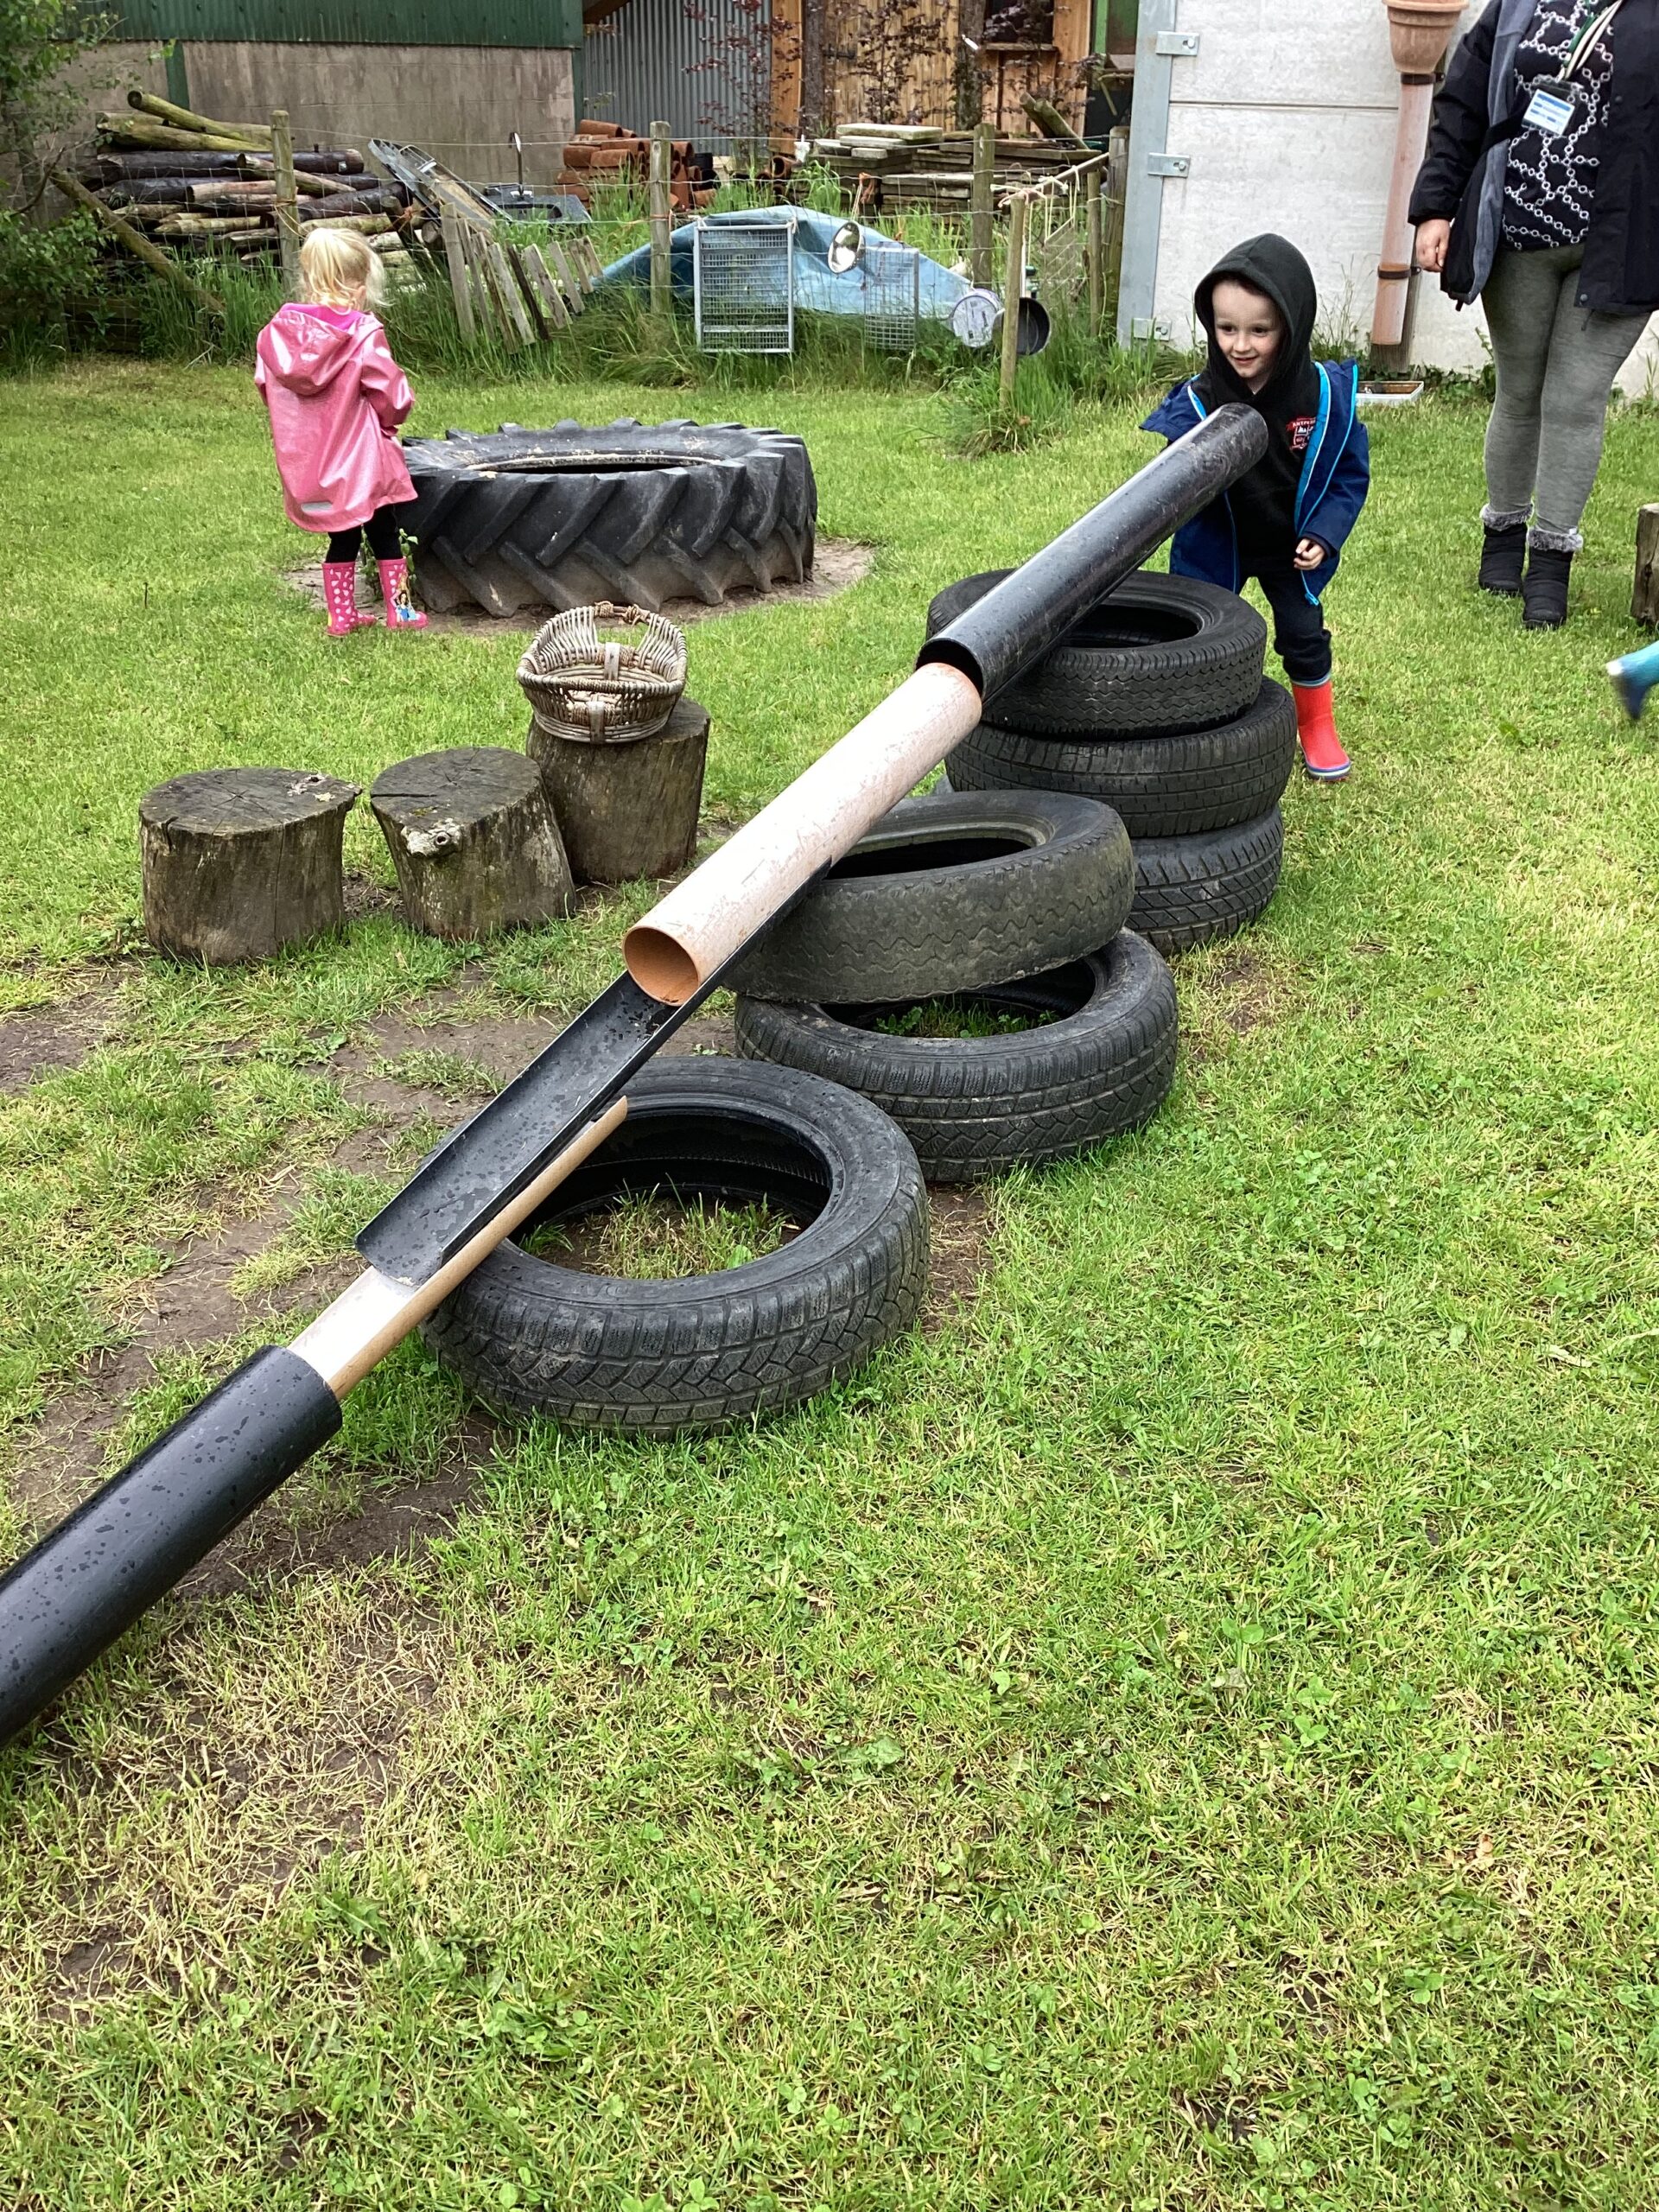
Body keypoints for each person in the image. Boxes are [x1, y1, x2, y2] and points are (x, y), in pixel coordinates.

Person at [1409, 0, 1659, 630]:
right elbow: (1462, 103)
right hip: (1517, 232)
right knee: (1519, 391)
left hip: (1623, 245)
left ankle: (1551, 560)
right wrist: (1435, 206)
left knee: (1576, 400)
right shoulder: (1519, 4)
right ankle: (1502, 536)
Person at [1143, 235, 1370, 782]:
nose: (1240, 345)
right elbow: (1170, 483)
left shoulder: (1323, 398)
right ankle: (1192, 722)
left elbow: (1348, 476)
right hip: (1217, 543)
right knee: (1195, 634)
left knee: (1303, 633)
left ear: (1291, 325)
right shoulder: (1198, 401)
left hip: (1291, 549)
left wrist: (1325, 533)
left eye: (1259, 331)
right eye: (1226, 329)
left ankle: (1316, 724)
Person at [254, 226, 426, 638]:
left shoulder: (277, 336)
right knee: (384, 531)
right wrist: (391, 420)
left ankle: (341, 616)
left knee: (342, 537)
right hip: (364, 460)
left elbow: (266, 386)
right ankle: (400, 611)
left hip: (313, 462)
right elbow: (391, 393)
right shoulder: (363, 333)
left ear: (307, 278)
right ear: (360, 286)